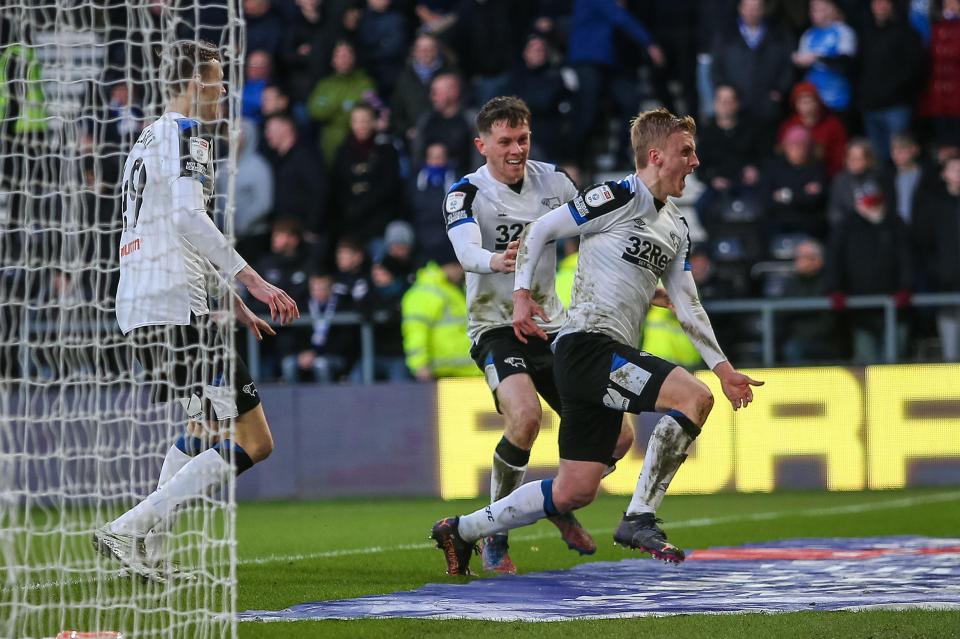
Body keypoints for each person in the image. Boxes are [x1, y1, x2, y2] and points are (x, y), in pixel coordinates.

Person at [431, 108, 762, 576]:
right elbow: (542, 230)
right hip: (584, 344)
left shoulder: (676, 227)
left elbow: (689, 305)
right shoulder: (619, 193)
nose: (695, 161)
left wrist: (724, 366)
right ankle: (639, 517)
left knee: (575, 490)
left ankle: (461, 530)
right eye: (686, 151)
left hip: (569, 341)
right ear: (655, 155)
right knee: (692, 397)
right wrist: (521, 295)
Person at [95, 40, 300, 582]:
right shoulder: (187, 136)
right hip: (174, 309)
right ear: (194, 83)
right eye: (218, 79)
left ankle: (150, 549)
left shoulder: (144, 141)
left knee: (202, 426)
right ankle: (129, 526)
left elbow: (169, 229)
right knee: (255, 441)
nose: (225, 89)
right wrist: (251, 279)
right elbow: (188, 220)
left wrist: (232, 302)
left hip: (139, 308)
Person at [440, 96, 638, 574]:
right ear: (481, 144)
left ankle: (551, 501)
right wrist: (498, 261)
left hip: (554, 328)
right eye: (505, 141)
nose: (516, 150)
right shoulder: (465, 193)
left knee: (622, 437)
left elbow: (592, 237)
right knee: (525, 418)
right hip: (497, 327)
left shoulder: (557, 181)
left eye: (523, 139)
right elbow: (465, 250)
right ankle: (494, 533)